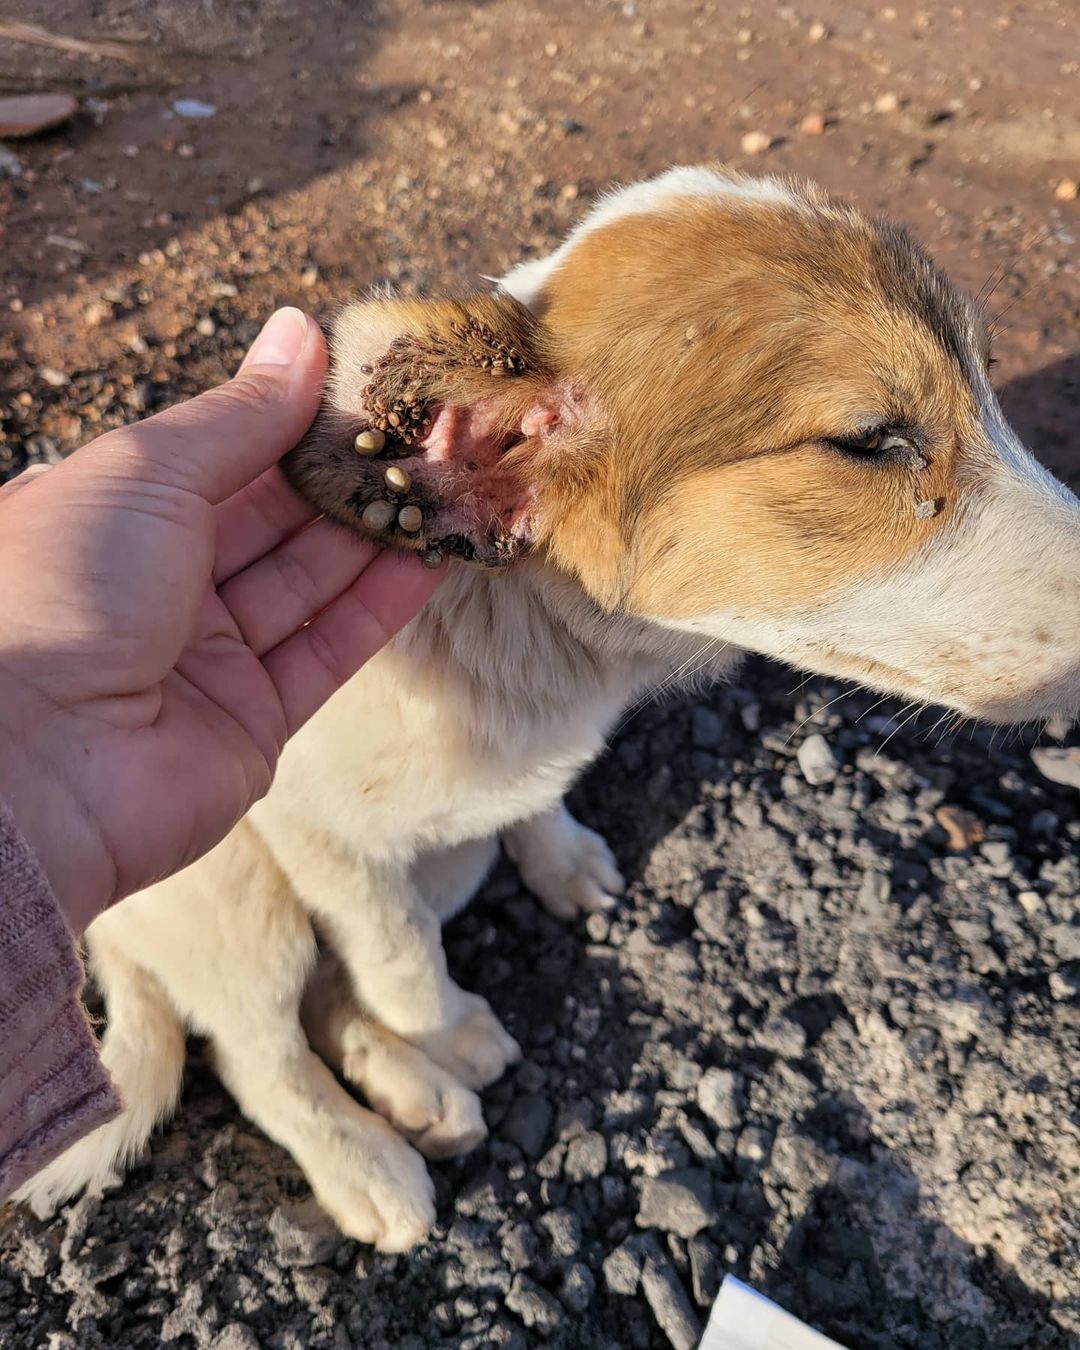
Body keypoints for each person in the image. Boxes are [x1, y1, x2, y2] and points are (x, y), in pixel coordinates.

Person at [0, 308, 443, 1200]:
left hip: (166, 761)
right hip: (168, 834)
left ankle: (339, 1016)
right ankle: (278, 1080)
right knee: (257, 935)